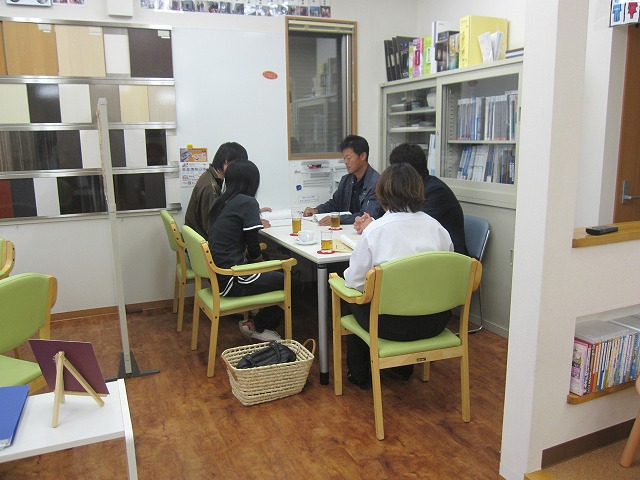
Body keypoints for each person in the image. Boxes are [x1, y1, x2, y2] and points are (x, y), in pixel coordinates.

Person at [343, 163, 454, 389]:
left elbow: (355, 281)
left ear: (382, 193)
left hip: (389, 325)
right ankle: (403, 369)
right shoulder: (438, 229)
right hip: (435, 321)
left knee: (350, 297)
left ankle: (359, 373)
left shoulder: (374, 232)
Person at [207, 160, 294, 342]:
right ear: (251, 182)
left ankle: (257, 318)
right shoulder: (247, 202)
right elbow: (254, 249)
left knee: (272, 264)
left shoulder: (223, 201)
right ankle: (258, 327)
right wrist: (264, 266)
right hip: (233, 278)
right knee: (290, 280)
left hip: (219, 275)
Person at [354, 143, 467, 255]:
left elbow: (409, 225)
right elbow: (393, 216)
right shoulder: (409, 190)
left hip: (448, 257)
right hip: (420, 252)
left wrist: (373, 226)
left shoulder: (436, 191)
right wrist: (373, 222)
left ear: (406, 171)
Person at [303, 135, 381, 226]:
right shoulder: (346, 180)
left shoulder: (376, 183)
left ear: (363, 156)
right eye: (344, 158)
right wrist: (316, 210)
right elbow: (335, 204)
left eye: (349, 158)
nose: (346, 162)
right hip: (347, 230)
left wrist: (337, 219)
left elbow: (367, 215)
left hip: (365, 231)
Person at [184, 142, 249, 239]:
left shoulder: (211, 176)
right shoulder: (210, 187)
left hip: (198, 239)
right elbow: (214, 228)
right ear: (227, 162)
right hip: (205, 242)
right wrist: (250, 224)